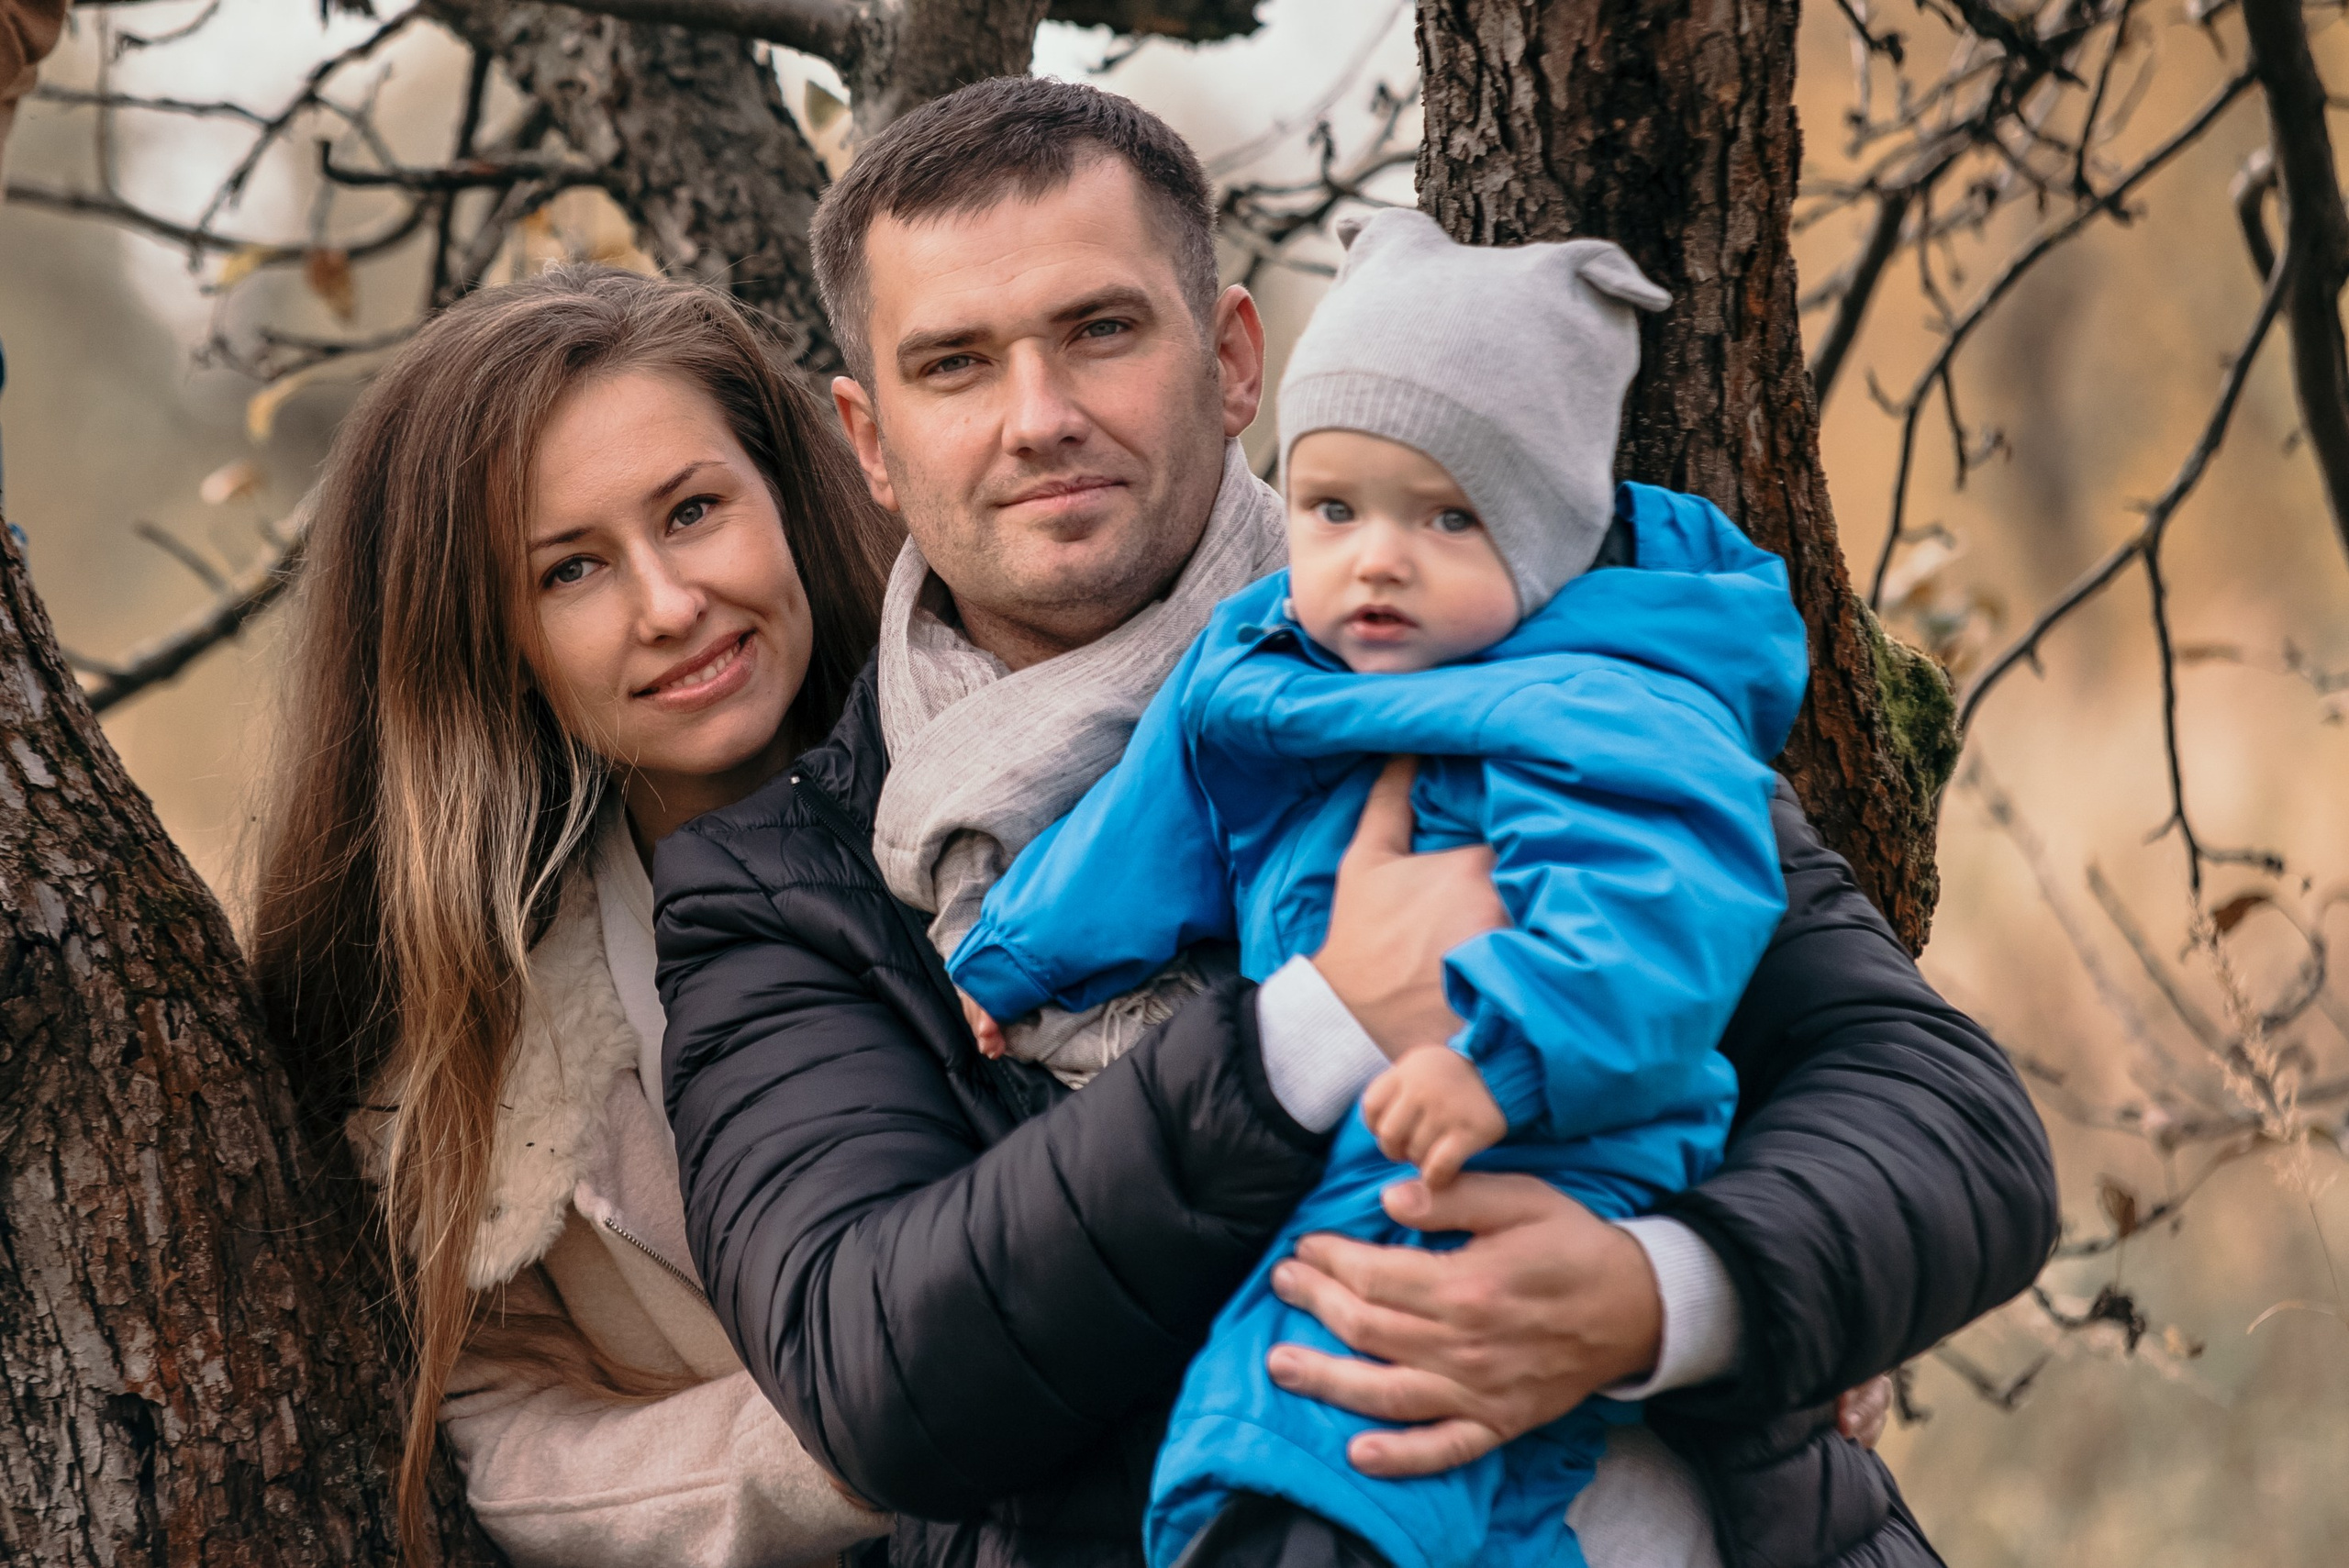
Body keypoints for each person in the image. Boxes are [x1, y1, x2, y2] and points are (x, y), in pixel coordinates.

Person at [653, 77, 2058, 1568]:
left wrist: (1663, 1291)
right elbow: (880, 1373)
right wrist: (1309, 1026)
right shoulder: (783, 890)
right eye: (954, 364)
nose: (1039, 416)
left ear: (1235, 357)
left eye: (1101, 331)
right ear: (871, 440)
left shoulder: (1536, 647)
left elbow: (1945, 1119)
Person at [945, 209, 1808, 1568]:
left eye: (1448, 517)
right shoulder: (1267, 664)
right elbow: (1151, 821)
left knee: (1364, 1426)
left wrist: (1503, 1059)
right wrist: (1016, 955)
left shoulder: (1602, 708)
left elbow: (1653, 918)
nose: (1378, 558)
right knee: (1338, 1439)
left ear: (1544, 547)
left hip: (1546, 1142)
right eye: (1336, 509)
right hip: (1364, 1144)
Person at [247, 267, 899, 1567]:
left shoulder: (1016, 781)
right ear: (486, 639)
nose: (669, 605)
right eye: (573, 569)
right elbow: (502, 1426)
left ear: (785, 490)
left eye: (695, 510)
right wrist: (858, 1435)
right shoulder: (468, 1045)